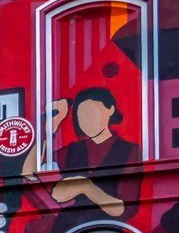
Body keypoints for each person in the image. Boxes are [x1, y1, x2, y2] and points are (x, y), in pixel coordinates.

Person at [24, 87, 136, 223]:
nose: (86, 121)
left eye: (91, 113)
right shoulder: (73, 150)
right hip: (67, 231)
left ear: (110, 110)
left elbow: (123, 209)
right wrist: (49, 129)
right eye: (80, 116)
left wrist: (85, 187)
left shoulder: (129, 150)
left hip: (106, 231)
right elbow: (29, 173)